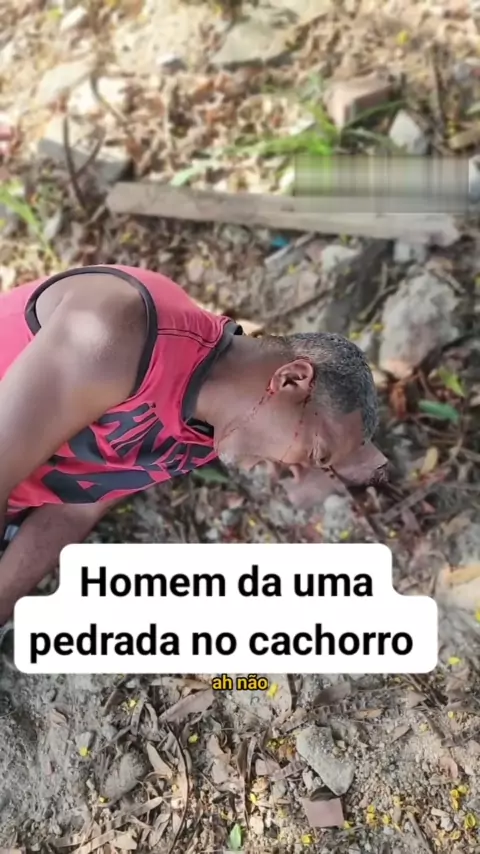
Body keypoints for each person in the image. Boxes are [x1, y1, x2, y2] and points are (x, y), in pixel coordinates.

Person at [0, 264, 387, 626]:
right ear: (291, 380)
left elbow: (76, 509)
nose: (292, 471)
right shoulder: (119, 331)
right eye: (315, 453)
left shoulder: (207, 432)